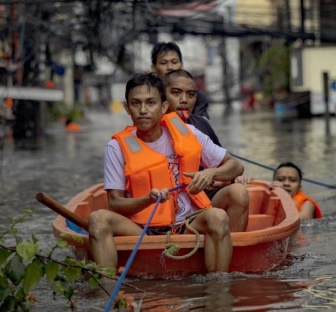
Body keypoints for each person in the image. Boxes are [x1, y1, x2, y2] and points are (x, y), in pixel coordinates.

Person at [88, 72, 246, 273]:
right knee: (98, 219)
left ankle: (218, 290)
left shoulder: (189, 133)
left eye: (151, 103)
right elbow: (115, 203)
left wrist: (211, 173)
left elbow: (236, 166)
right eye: (136, 104)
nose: (143, 110)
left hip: (187, 223)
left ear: (163, 107)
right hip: (142, 229)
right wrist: (147, 199)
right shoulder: (115, 147)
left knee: (218, 217)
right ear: (127, 108)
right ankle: (108, 290)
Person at [163, 69, 248, 231]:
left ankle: (234, 249)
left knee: (238, 191)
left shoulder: (199, 127)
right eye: (176, 93)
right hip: (160, 205)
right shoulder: (149, 129)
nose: (183, 100)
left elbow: (233, 165)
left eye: (190, 95)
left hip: (197, 196)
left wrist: (211, 174)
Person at [151, 42, 209, 119]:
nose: (170, 67)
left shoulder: (198, 97)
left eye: (174, 62)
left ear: (181, 65)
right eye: (163, 63)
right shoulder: (148, 96)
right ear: (153, 68)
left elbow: (202, 125)